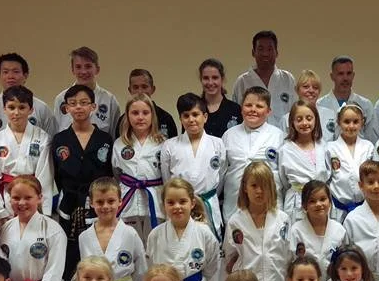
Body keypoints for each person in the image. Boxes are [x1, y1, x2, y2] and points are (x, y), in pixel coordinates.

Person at [51, 84, 114, 281]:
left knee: (98, 249)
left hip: (98, 204)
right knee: (70, 252)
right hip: (69, 204)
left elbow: (109, 173)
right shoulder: (60, 139)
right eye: (73, 103)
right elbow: (56, 175)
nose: (78, 107)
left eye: (84, 102)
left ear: (93, 106)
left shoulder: (105, 139)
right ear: (66, 108)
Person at [146, 179, 221, 281]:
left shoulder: (204, 233)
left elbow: (212, 268)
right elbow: (151, 269)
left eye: (182, 201)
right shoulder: (155, 235)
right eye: (171, 202)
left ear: (192, 203)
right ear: (164, 205)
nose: (177, 207)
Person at [0, 175, 68, 281]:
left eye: (28, 197)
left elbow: (54, 270)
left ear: (40, 198)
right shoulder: (4, 230)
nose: (21, 203)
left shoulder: (52, 229)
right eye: (16, 198)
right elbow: (0, 266)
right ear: (9, 199)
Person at [223, 162, 292, 281]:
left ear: (272, 187)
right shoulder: (235, 222)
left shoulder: (283, 220)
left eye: (264, 186)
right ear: (245, 188)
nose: (259, 191)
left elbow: (288, 258)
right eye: (254, 185)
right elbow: (229, 260)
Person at [160, 93, 226, 241]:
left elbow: (221, 176)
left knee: (210, 246)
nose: (191, 119)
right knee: (181, 244)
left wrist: (208, 194)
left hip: (208, 202)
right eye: (186, 115)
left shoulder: (217, 144)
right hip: (180, 206)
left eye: (195, 114)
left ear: (205, 117)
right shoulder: (170, 146)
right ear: (180, 119)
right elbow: (166, 180)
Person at [0, 85, 54, 221]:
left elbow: (45, 178)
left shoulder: (42, 138)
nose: (16, 112)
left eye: (22, 107)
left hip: (32, 199)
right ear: (4, 109)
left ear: (31, 110)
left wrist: (43, 211)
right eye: (11, 107)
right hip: (6, 199)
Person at [78, 177, 147, 281]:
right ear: (91, 203)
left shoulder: (130, 233)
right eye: (100, 202)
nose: (105, 206)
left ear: (120, 201)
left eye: (111, 201)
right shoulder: (84, 237)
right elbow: (84, 273)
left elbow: (142, 271)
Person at [221, 86, 284, 219]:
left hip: (269, 204)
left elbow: (284, 175)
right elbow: (220, 173)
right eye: (248, 105)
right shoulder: (229, 135)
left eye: (259, 106)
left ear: (268, 111)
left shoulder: (278, 136)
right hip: (234, 205)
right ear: (241, 108)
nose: (253, 110)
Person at [112, 93, 166, 243]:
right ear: (127, 116)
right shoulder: (119, 144)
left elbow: (167, 174)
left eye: (145, 113)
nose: (140, 117)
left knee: (154, 244)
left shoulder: (163, 143)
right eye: (135, 113)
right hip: (128, 200)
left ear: (152, 115)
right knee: (129, 245)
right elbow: (116, 174)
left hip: (155, 201)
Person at [277, 100, 331, 221]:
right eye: (299, 119)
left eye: (309, 118)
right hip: (297, 201)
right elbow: (284, 181)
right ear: (292, 122)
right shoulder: (286, 150)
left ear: (316, 120)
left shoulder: (323, 146)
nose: (304, 123)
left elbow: (329, 173)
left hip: (321, 199)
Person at [0, 52, 57, 136]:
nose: (10, 76)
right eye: (5, 72)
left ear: (25, 76)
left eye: (16, 72)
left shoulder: (42, 109)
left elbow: (52, 139)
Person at [231, 30, 297, 126]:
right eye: (260, 49)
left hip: (284, 133)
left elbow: (296, 111)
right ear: (253, 52)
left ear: (277, 52)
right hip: (251, 134)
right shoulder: (242, 82)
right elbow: (236, 115)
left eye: (270, 49)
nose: (265, 54)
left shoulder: (288, 79)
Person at [53, 46, 122, 134]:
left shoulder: (110, 100)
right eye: (78, 67)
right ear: (72, 70)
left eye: (88, 66)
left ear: (97, 69)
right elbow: (57, 134)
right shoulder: (61, 99)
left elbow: (114, 136)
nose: (83, 72)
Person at [326, 104, 374, 222]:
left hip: (364, 207)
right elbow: (326, 179)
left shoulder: (368, 147)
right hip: (338, 207)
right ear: (339, 122)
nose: (351, 126)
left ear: (362, 122)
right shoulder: (330, 148)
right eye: (346, 122)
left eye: (355, 122)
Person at [288, 181, 347, 275]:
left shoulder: (339, 230)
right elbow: (291, 264)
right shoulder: (296, 231)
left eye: (323, 199)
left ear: (330, 202)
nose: (318, 204)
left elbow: (345, 263)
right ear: (304, 206)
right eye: (312, 201)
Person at [317, 56, 375, 140]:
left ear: (353, 75)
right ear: (332, 76)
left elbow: (371, 138)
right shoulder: (320, 105)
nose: (345, 78)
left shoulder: (366, 105)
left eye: (349, 73)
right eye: (340, 74)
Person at [272, 70, 338, 142]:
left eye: (315, 87)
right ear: (297, 90)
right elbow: (282, 145)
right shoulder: (286, 119)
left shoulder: (330, 115)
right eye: (306, 87)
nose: (311, 90)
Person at [125, 68, 178, 139]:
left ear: (153, 89)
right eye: (135, 87)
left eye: (144, 87)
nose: (140, 91)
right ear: (130, 90)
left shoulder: (166, 118)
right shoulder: (123, 121)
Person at [198, 58, 242, 138]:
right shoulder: (193, 109)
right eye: (206, 78)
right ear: (201, 79)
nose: (210, 82)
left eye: (215, 77)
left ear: (222, 79)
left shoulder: (236, 110)